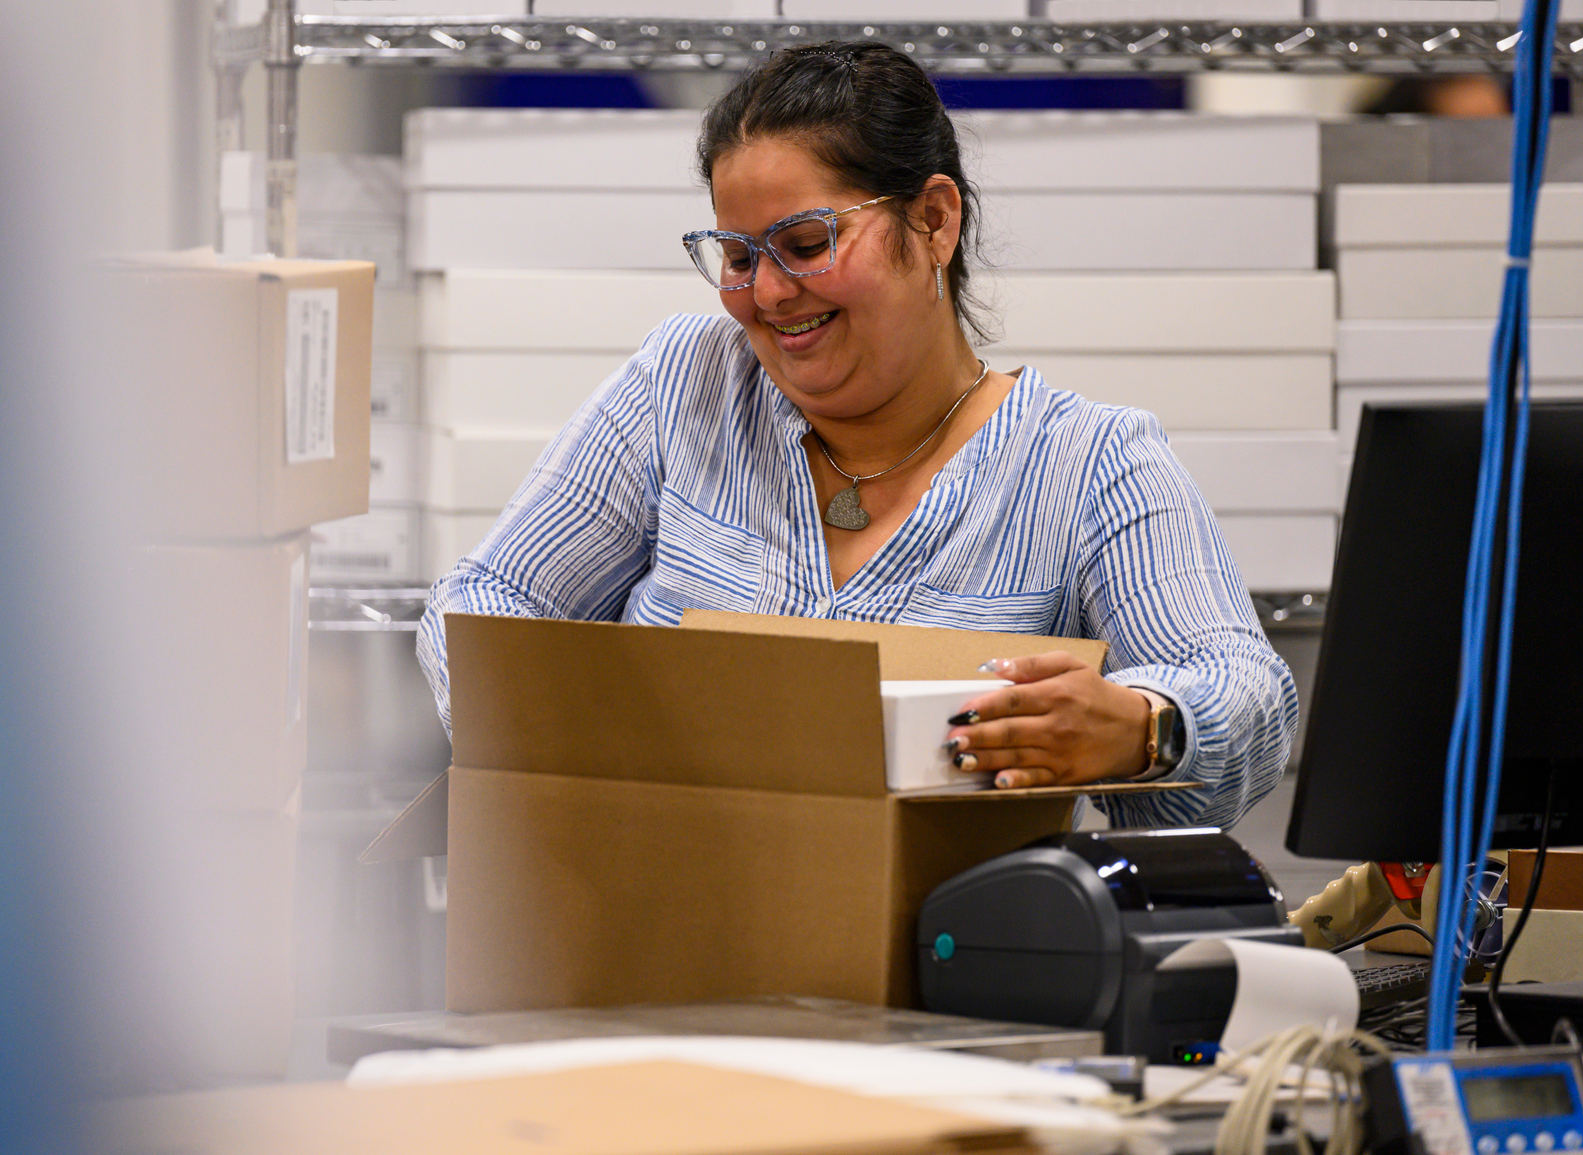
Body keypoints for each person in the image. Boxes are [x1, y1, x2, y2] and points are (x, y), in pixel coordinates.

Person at [418, 40, 1297, 829]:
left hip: (939, 984)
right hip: (653, 944)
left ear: (934, 221)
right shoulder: (684, 385)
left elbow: (1244, 690)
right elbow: (487, 597)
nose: (765, 294)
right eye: (736, 256)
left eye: (804, 242)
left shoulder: (1086, 465)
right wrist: (584, 737)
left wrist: (1143, 726)